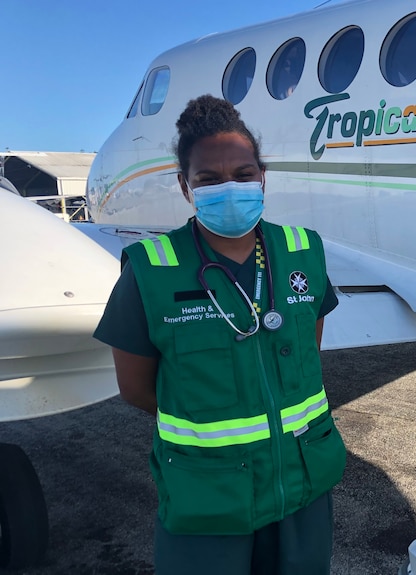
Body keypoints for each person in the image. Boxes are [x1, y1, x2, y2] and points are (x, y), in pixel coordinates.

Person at [94, 94, 345, 575]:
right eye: (208, 179)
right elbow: (137, 390)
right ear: (186, 187)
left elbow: (307, 352)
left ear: (262, 176)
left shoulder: (302, 252)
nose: (228, 188)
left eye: (243, 174)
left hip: (303, 485)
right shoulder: (152, 271)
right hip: (208, 498)